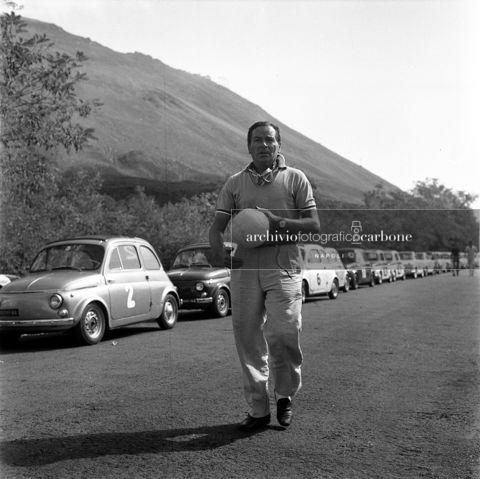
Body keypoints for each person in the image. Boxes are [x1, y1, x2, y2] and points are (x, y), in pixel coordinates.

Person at [209, 121, 320, 431]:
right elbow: (217, 228)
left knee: (284, 332)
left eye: (270, 140)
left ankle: (284, 396)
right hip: (245, 267)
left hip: (284, 264)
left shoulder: (295, 178)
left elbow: (313, 225)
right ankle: (258, 409)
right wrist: (218, 252)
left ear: (279, 145)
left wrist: (278, 222)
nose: (264, 145)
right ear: (249, 146)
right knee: (247, 337)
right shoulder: (235, 183)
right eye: (257, 140)